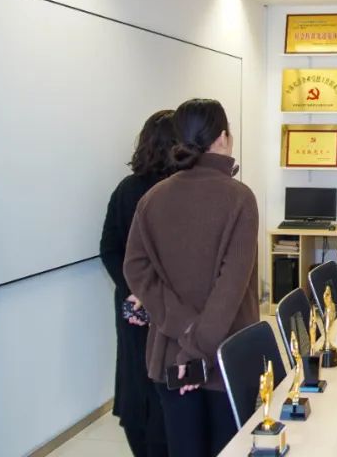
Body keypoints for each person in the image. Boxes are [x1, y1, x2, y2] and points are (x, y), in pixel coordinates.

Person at [124, 99, 259, 457]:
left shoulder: (153, 197)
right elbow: (231, 287)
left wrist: (183, 331)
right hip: (225, 358)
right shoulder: (239, 198)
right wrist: (196, 349)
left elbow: (135, 268)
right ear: (223, 138)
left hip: (171, 357)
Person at [99, 110, 176, 457]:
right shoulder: (174, 192)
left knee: (136, 377)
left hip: (133, 305)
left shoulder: (126, 189)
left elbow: (109, 248)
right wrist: (147, 293)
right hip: (165, 304)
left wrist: (133, 290)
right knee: (165, 380)